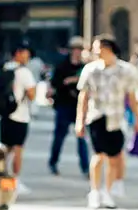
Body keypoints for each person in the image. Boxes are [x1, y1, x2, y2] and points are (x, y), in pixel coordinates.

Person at [75, 35, 138, 209]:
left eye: (98, 48)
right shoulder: (90, 70)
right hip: (96, 116)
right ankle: (95, 191)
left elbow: (132, 97)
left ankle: (107, 191)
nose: (95, 52)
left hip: (117, 118)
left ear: (108, 49)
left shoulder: (126, 70)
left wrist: (137, 119)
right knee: (99, 155)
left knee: (113, 158)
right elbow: (83, 97)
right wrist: (79, 121)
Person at [0, 42, 37, 191]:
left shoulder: (4, 67)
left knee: (5, 149)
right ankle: (15, 181)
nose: (28, 56)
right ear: (18, 53)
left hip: (4, 114)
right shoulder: (24, 72)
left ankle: (1, 179)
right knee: (18, 149)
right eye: (25, 53)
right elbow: (32, 95)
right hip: (20, 115)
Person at [47, 36, 89, 177]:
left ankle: (85, 168)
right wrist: (67, 81)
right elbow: (55, 84)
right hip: (64, 105)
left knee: (81, 138)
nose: (77, 52)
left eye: (80, 49)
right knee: (59, 137)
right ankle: (53, 163)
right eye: (75, 49)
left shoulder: (84, 68)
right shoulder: (62, 66)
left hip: (79, 106)